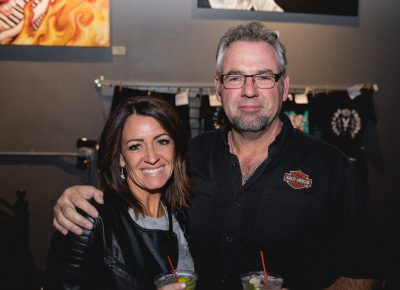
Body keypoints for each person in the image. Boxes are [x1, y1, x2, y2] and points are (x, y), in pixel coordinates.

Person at [52, 22, 381, 289]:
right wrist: (76, 197)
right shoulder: (189, 157)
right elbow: (135, 203)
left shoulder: (330, 168)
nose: (249, 90)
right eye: (235, 77)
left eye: (264, 77)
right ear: (218, 88)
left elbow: (365, 271)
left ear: (284, 86)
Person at [45, 96, 194, 289]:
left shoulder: (183, 213)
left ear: (175, 148)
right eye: (135, 146)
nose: (152, 157)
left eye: (162, 141)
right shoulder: (89, 221)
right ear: (121, 157)